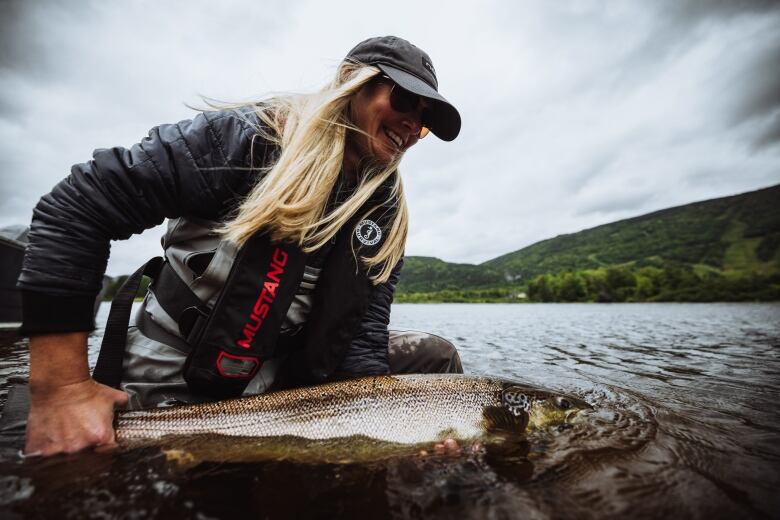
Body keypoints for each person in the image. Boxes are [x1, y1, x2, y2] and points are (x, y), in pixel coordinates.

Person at [18, 36, 463, 457]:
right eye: (403, 100)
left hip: (279, 374)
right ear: (351, 80)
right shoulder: (247, 137)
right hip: (179, 363)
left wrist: (388, 434)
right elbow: (77, 205)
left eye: (423, 121)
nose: (411, 123)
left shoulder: (385, 213)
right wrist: (62, 389)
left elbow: (359, 340)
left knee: (436, 358)